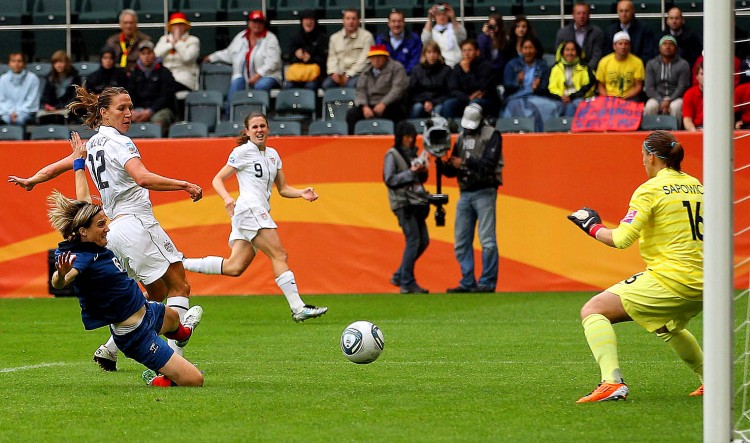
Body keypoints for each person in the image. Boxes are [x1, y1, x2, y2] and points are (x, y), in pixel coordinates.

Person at [10, 85, 203, 371]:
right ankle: (174, 363)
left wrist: (32, 180)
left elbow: (58, 166)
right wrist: (184, 184)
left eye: (130, 107)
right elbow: (143, 178)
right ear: (104, 113)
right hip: (136, 222)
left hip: (112, 231)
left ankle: (109, 349)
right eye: (121, 108)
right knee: (179, 285)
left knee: (155, 293)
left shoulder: (92, 144)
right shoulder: (121, 143)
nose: (129, 113)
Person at [49, 132, 204, 387]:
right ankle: (157, 379)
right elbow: (60, 282)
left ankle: (183, 333)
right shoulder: (81, 258)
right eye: (102, 225)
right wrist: (62, 274)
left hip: (149, 313)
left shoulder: (91, 235)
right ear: (84, 232)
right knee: (194, 381)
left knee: (174, 318)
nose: (107, 228)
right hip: (135, 335)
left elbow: (83, 199)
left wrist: (79, 163)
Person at [567, 130, 704, 402]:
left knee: (594, 309)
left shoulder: (650, 189)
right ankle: (712, 380)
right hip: (705, 282)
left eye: (643, 155)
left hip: (672, 279)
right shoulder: (696, 184)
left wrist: (591, 227)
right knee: (667, 326)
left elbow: (621, 239)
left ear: (652, 157)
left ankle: (611, 382)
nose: (642, 161)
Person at [182, 113, 328, 323]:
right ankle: (298, 307)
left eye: (262, 126)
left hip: (255, 212)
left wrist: (301, 193)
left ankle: (180, 262)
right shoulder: (242, 152)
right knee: (280, 254)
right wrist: (226, 198)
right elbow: (218, 179)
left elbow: (283, 188)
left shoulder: (273, 155)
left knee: (235, 267)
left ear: (268, 129)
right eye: (254, 127)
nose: (259, 130)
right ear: (248, 131)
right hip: (249, 209)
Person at [439, 104, 503, 293]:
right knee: (461, 240)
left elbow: (489, 164)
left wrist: (463, 162)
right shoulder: (461, 137)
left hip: (485, 190)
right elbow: (454, 169)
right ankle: (467, 281)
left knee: (487, 239)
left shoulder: (492, 135)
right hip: (465, 191)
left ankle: (487, 282)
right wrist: (444, 164)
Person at [383, 121, 430, 294]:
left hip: (416, 202)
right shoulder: (392, 154)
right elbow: (389, 179)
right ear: (400, 137)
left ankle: (400, 275)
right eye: (407, 137)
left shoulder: (414, 154)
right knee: (414, 240)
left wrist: (422, 170)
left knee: (423, 240)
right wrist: (411, 172)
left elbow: (419, 180)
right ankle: (407, 281)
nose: (410, 140)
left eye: (412, 137)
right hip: (403, 203)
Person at [205, 10, 282, 113]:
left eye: (260, 22)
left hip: (269, 76)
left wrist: (258, 75)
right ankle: (230, 118)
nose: (257, 25)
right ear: (249, 23)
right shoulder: (241, 37)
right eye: (254, 21)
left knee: (261, 85)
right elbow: (229, 53)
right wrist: (211, 57)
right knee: (236, 83)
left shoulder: (270, 38)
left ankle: (257, 116)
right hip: (245, 76)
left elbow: (273, 62)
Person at [346, 44, 408, 134]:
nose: (376, 60)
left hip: (390, 104)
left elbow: (397, 89)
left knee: (397, 113)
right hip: (369, 104)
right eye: (373, 57)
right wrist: (364, 106)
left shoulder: (397, 68)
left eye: (379, 57)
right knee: (351, 114)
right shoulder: (366, 70)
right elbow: (360, 90)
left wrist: (384, 103)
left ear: (385, 57)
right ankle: (352, 142)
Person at [502, 36, 559, 132]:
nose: (528, 51)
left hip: (535, 96)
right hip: (516, 96)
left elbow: (545, 87)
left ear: (536, 50)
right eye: (525, 48)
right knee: (516, 106)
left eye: (531, 48)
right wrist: (517, 82)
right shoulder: (512, 64)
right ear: (521, 50)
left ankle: (542, 134)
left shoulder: (542, 65)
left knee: (554, 106)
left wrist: (537, 87)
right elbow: (507, 85)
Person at [127, 40, 177, 135]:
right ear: (139, 56)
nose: (146, 56)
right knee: (125, 119)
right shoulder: (134, 74)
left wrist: (151, 110)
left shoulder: (165, 73)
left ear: (154, 54)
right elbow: (130, 94)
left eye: (149, 53)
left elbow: (166, 97)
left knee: (158, 121)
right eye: (143, 53)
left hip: (160, 109)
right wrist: (132, 111)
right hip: (138, 109)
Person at [441, 39, 498, 119]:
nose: (467, 53)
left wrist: (467, 71)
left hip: (485, 100)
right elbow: (453, 89)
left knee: (474, 104)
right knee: (448, 104)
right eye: (464, 51)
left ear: (477, 52)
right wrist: (467, 98)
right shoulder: (457, 68)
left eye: (470, 50)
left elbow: (481, 87)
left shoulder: (485, 66)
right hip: (464, 99)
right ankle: (451, 129)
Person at [643, 35, 690, 125]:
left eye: (671, 44)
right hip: (657, 97)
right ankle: (651, 134)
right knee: (650, 106)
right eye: (664, 44)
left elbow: (682, 87)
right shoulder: (651, 64)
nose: (668, 47)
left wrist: (669, 100)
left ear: (675, 48)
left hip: (676, 97)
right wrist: (661, 101)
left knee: (675, 107)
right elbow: (649, 88)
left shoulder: (683, 64)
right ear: (660, 48)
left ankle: (677, 134)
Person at [322, 8, 374, 89]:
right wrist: (333, 73)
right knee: (327, 85)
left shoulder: (367, 37)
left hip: (359, 73)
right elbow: (332, 58)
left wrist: (349, 74)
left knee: (350, 85)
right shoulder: (334, 38)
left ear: (358, 21)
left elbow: (365, 60)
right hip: (339, 73)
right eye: (348, 18)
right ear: (343, 20)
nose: (351, 22)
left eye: (354, 19)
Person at [154, 12, 201, 93]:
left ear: (185, 27)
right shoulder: (164, 39)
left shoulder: (193, 40)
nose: (177, 28)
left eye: (181, 24)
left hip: (185, 76)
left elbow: (187, 58)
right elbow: (155, 55)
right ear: (170, 27)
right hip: (166, 75)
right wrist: (171, 45)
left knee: (168, 88)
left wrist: (178, 43)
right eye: (175, 25)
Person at [548, 40, 596, 117]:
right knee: (555, 107)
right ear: (562, 52)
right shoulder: (555, 68)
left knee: (572, 106)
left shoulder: (584, 67)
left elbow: (589, 86)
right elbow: (552, 87)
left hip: (579, 98)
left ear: (577, 52)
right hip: (560, 98)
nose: (570, 53)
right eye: (567, 50)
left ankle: (569, 128)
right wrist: (562, 97)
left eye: (573, 50)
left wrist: (572, 97)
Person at [283, 10, 328, 90]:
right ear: (302, 21)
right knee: (289, 86)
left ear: (315, 22)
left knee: (310, 86)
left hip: (315, 76)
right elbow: (288, 57)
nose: (309, 22)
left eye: (311, 20)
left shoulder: (321, 38)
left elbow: (324, 58)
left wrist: (311, 59)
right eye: (306, 19)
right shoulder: (295, 37)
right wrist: (296, 56)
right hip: (297, 75)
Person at [554, 2, 605, 71]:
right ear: (573, 15)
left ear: (588, 15)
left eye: (584, 13)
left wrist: (585, 72)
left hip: (590, 71)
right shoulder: (563, 33)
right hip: (567, 71)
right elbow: (559, 55)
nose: (581, 16)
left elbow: (596, 56)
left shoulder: (597, 33)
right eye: (578, 13)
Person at [407, 41, 452, 118]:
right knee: (417, 108)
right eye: (429, 52)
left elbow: (449, 91)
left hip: (439, 101)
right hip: (421, 101)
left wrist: (434, 102)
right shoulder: (417, 70)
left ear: (439, 54)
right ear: (424, 54)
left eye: (434, 52)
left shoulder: (446, 70)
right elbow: (412, 92)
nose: (432, 55)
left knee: (438, 109)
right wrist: (424, 102)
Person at [595, 31, 644, 100]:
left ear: (629, 46)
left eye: (626, 44)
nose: (623, 47)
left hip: (630, 98)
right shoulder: (604, 62)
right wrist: (609, 99)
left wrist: (624, 98)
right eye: (620, 44)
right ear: (614, 46)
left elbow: (638, 86)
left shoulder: (637, 62)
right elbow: (600, 86)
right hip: (609, 98)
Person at [38, 50, 82, 124]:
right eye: (55, 63)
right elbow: (45, 97)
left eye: (61, 62)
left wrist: (58, 107)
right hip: (52, 109)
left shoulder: (75, 77)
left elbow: (76, 98)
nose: (58, 65)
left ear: (66, 63)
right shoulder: (50, 77)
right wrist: (46, 106)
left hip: (69, 108)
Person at [375, 9, 422, 75]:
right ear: (388, 23)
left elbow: (415, 61)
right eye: (393, 21)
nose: (397, 24)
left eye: (399, 21)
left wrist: (401, 74)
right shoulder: (381, 40)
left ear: (404, 23)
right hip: (386, 77)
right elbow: (378, 61)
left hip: (407, 76)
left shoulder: (414, 39)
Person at [421, 3, 467, 68]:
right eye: (438, 15)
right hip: (438, 68)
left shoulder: (454, 29)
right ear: (435, 17)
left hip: (455, 66)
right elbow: (425, 40)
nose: (441, 17)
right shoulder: (432, 32)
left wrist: (453, 17)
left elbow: (462, 38)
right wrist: (430, 18)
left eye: (444, 14)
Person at [0, 52, 40, 126]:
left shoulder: (33, 78)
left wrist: (18, 113)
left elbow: (31, 100)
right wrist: (11, 112)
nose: (16, 64)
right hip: (7, 113)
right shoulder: (3, 79)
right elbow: (2, 100)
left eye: (19, 61)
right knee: (5, 119)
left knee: (20, 120)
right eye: (13, 61)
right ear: (9, 63)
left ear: (24, 64)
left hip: (26, 112)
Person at [477, 13, 508, 86]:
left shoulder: (505, 40)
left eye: (495, 25)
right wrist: (485, 35)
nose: (492, 28)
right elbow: (480, 52)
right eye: (491, 25)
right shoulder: (483, 37)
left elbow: (503, 60)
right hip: (485, 71)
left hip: (499, 72)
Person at [682, 62, 703, 132]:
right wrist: (695, 133)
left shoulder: (721, 95)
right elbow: (687, 120)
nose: (706, 77)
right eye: (702, 74)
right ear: (696, 76)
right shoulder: (689, 94)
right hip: (696, 129)